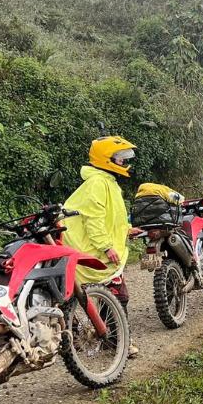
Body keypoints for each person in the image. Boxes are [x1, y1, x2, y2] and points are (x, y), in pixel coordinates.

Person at [61, 135, 143, 326]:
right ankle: (116, 341)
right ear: (106, 158)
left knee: (114, 294)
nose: (123, 161)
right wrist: (106, 246)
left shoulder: (107, 181)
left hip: (96, 245)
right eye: (119, 156)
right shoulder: (97, 183)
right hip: (92, 248)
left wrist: (126, 229)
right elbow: (93, 220)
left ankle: (113, 338)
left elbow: (111, 216)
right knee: (118, 295)